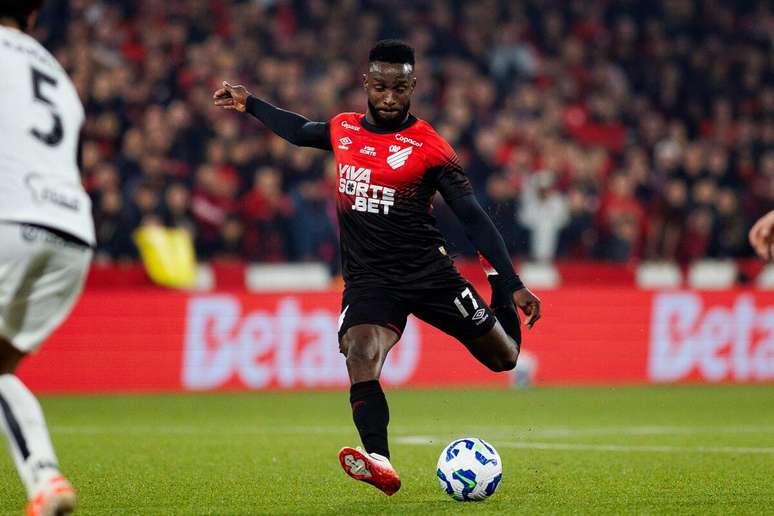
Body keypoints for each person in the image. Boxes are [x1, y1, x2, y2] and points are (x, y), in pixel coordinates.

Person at [213, 40, 541, 496]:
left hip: (430, 275)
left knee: (504, 359)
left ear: (413, 87)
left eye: (400, 88)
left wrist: (512, 282)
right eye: (382, 87)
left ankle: (492, 289)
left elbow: (473, 217)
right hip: (371, 280)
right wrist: (250, 104)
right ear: (367, 83)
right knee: (360, 350)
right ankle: (379, 461)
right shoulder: (344, 129)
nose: (390, 98)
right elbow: (298, 130)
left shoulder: (430, 147)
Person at [0, 1, 95, 514]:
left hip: (9, 220)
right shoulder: (54, 72)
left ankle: (44, 477)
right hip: (71, 232)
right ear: (32, 17)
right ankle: (44, 479)